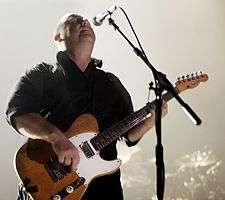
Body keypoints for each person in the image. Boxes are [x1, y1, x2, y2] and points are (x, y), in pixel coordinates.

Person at [6, 13, 168, 200]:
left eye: (86, 22)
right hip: (48, 185)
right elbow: (17, 114)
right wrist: (56, 137)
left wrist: (149, 122)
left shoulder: (111, 83)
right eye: (75, 20)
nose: (84, 23)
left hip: (105, 189)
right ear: (58, 36)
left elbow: (128, 136)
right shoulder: (41, 74)